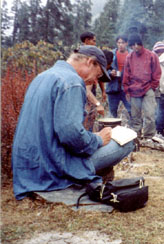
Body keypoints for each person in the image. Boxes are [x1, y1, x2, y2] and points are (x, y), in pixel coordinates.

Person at [12, 45, 134, 200]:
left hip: (27, 168)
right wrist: (98, 139)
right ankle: (84, 177)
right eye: (97, 75)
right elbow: (70, 134)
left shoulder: (43, 76)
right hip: (52, 168)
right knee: (127, 142)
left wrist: (90, 136)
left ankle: (93, 174)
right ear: (90, 62)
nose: (95, 81)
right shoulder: (73, 82)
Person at [123, 33, 162, 139]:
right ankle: (136, 137)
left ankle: (149, 137)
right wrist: (127, 89)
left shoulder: (151, 55)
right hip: (134, 89)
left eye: (137, 44)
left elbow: (157, 73)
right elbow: (126, 74)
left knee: (149, 115)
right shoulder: (129, 57)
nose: (135, 47)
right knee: (135, 116)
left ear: (141, 43)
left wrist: (152, 87)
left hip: (148, 88)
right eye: (132, 45)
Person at [106, 35, 132, 118]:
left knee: (131, 110)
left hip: (127, 88)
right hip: (113, 87)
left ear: (127, 43)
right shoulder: (111, 54)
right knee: (112, 112)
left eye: (123, 43)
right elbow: (104, 68)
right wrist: (110, 73)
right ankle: (113, 129)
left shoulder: (132, 54)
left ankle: (134, 129)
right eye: (118, 43)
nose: (120, 45)